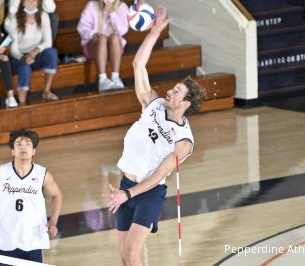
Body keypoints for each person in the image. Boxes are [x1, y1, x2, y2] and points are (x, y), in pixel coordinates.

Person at [106, 7, 206, 266]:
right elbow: (138, 64)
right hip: (126, 184)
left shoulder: (183, 142)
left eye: (176, 92)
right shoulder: (154, 104)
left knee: (132, 254)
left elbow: (159, 176)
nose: (170, 92)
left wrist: (127, 196)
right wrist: (155, 32)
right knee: (123, 256)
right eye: (173, 88)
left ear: (186, 104)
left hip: (148, 194)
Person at [0, 129, 62, 264]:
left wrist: (53, 221)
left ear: (34, 151)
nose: (23, 146)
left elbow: (57, 195)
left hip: (32, 242)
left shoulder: (42, 174)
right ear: (12, 151)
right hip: (4, 242)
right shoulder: (0, 173)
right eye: (18, 144)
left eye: (27, 144)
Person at [5, 0, 59, 105]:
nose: (31, 3)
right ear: (22, 3)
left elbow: (48, 41)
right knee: (25, 68)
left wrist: (36, 50)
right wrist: (23, 58)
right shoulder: (14, 19)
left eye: (33, 0)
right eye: (27, 0)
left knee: (52, 53)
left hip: (35, 54)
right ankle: (22, 102)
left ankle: (47, 91)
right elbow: (13, 48)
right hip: (18, 56)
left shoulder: (43, 15)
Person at [77, 0, 128, 92]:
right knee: (102, 38)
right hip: (94, 45)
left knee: (115, 37)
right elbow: (82, 27)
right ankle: (102, 79)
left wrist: (112, 12)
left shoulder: (122, 6)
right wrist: (93, 34)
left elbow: (123, 30)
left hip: (114, 47)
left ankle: (115, 77)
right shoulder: (92, 5)